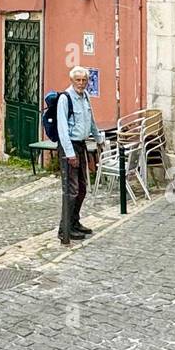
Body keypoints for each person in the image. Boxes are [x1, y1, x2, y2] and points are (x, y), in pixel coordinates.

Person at [56, 66, 101, 245]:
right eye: (78, 80)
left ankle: (75, 222)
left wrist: (98, 139)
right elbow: (62, 129)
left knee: (82, 188)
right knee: (71, 190)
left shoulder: (86, 97)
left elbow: (91, 121)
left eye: (84, 80)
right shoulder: (65, 99)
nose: (81, 83)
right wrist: (69, 154)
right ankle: (64, 229)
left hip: (81, 145)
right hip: (69, 147)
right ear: (72, 81)